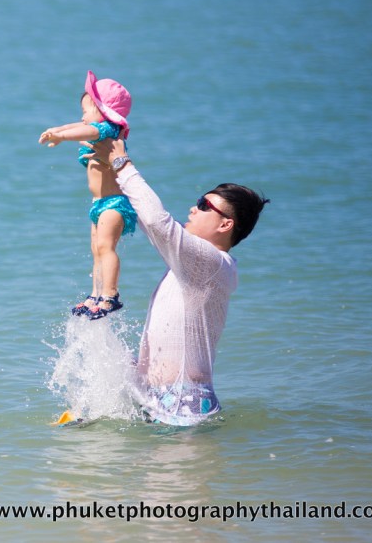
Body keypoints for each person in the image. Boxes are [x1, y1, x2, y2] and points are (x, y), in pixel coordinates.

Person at [88, 137, 268, 426]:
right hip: (157, 400)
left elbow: (159, 223)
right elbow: (150, 223)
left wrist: (123, 165)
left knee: (171, 473)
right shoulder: (195, 266)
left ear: (225, 224)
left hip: (184, 404)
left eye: (204, 205)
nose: (193, 208)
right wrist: (107, 172)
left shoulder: (210, 263)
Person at [39, 70, 135, 319]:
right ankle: (96, 294)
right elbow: (79, 126)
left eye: (86, 110)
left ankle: (110, 295)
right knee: (96, 250)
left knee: (105, 247)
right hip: (99, 203)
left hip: (115, 203)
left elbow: (86, 131)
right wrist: (57, 129)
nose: (82, 117)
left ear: (103, 112)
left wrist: (61, 136)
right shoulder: (96, 128)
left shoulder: (107, 131)